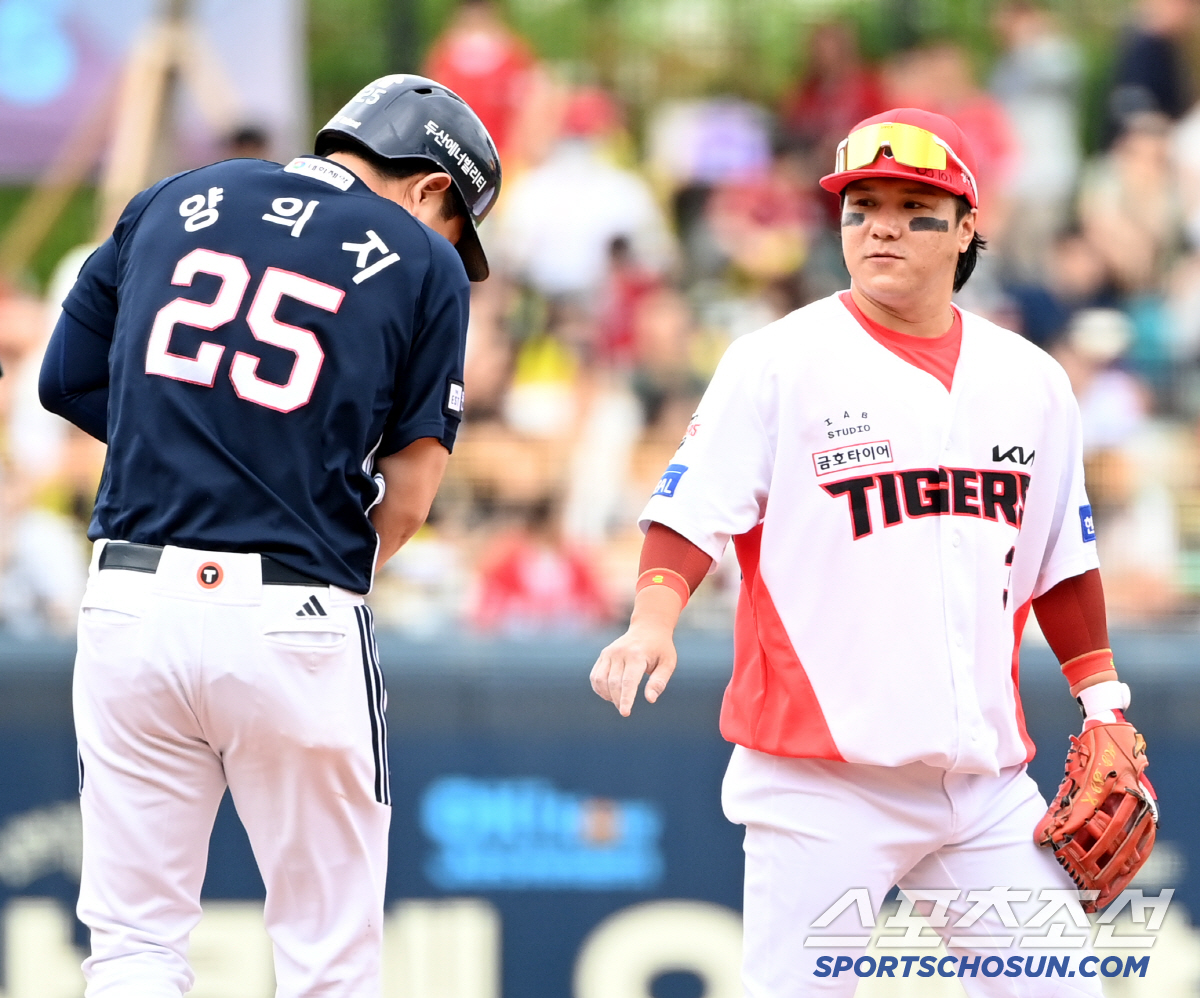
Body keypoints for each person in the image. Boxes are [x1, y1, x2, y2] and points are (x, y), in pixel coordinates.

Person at [590, 109, 1157, 995]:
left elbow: (1063, 564)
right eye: (862, 206)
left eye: (912, 205)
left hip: (980, 785)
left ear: (967, 229)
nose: (881, 224)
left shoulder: (1032, 382)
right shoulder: (778, 360)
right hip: (823, 785)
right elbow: (691, 510)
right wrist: (650, 619)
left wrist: (1104, 704)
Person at [38, 75, 500, 996]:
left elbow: (64, 380)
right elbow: (409, 497)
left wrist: (196, 447)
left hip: (131, 598)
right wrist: (294, 506)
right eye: (459, 224)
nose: (453, 246)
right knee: (328, 956)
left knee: (133, 943)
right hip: (293, 610)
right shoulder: (422, 256)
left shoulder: (172, 196)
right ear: (434, 187)